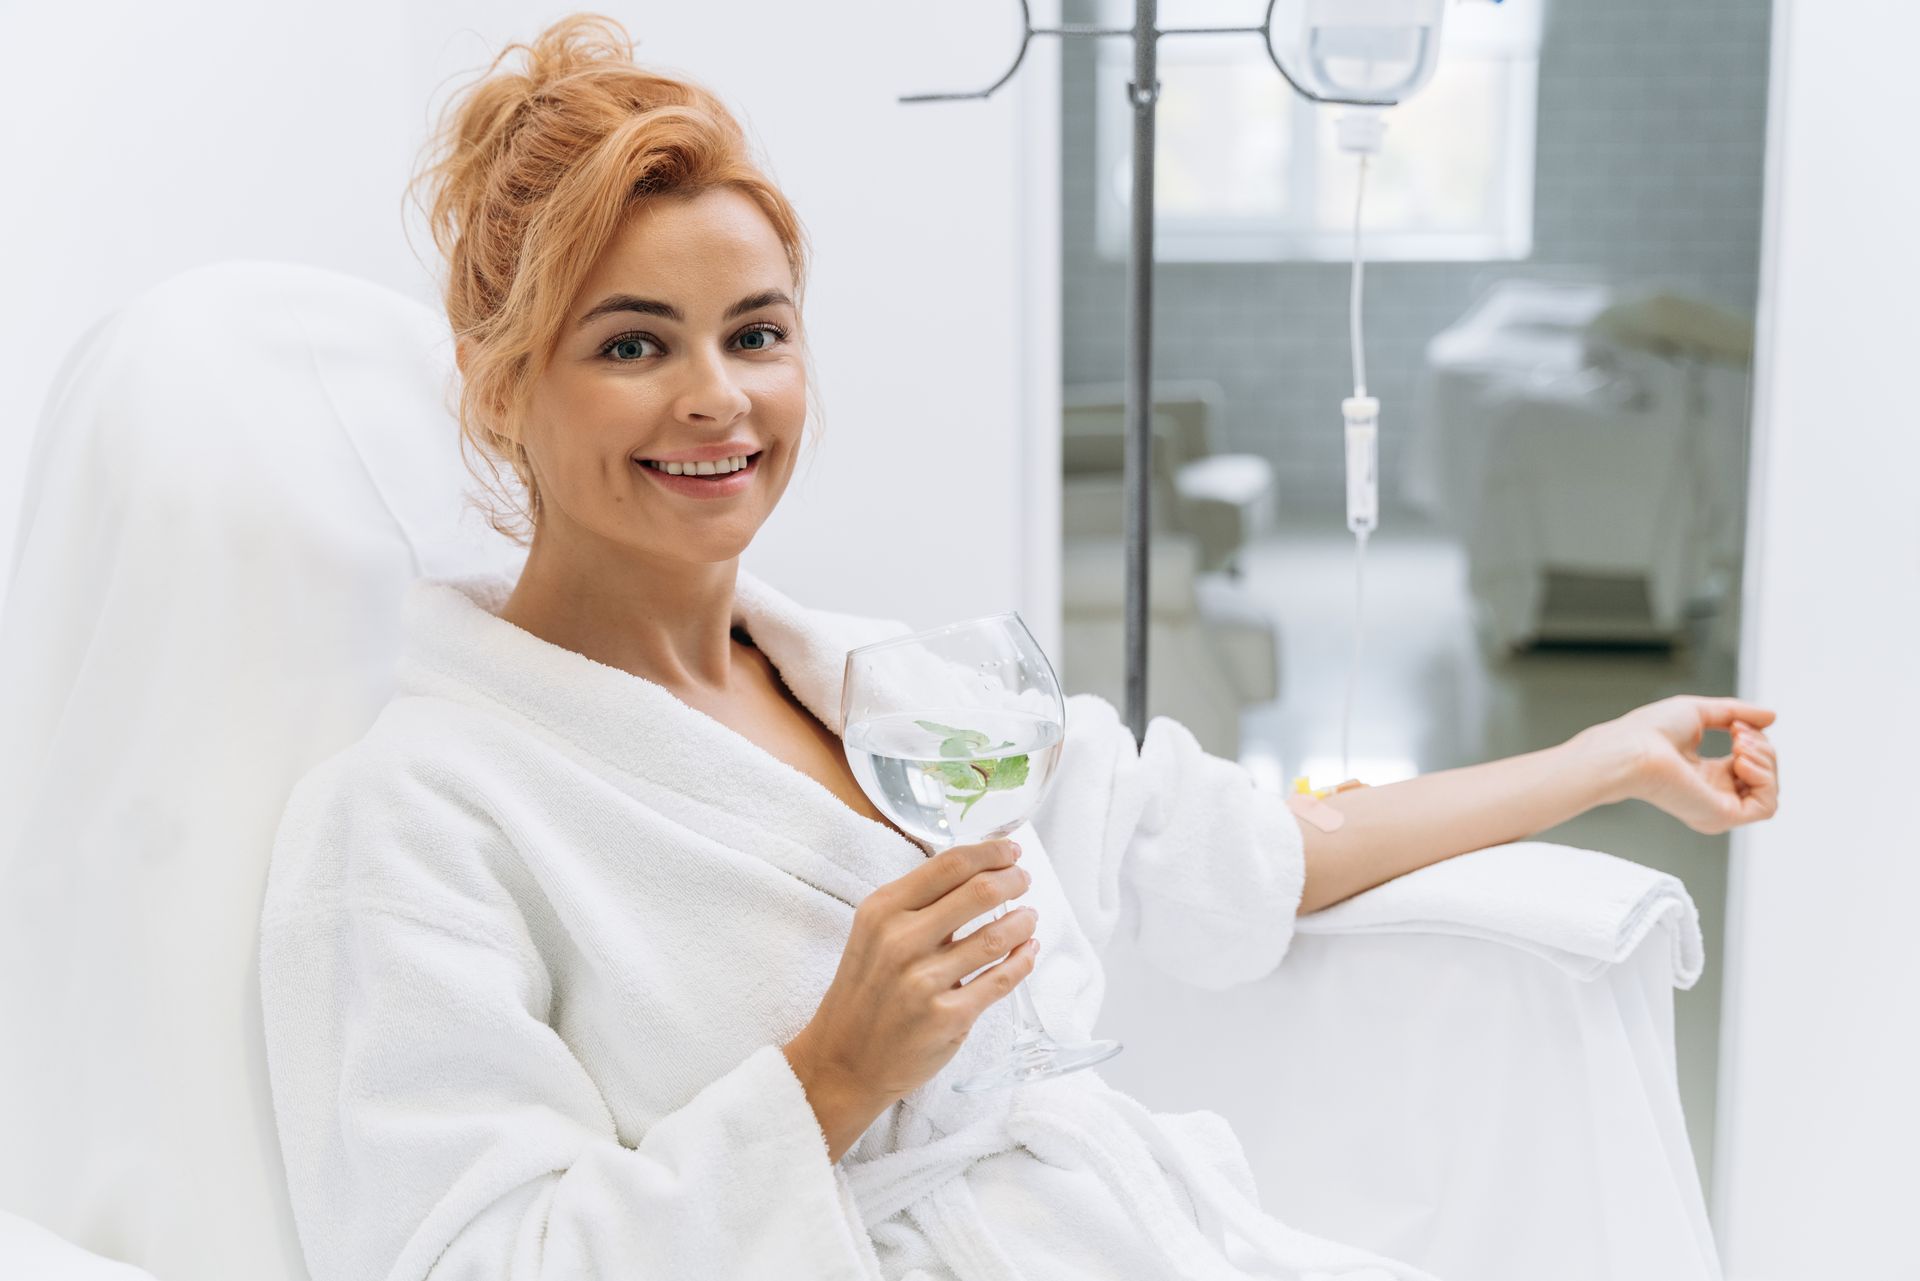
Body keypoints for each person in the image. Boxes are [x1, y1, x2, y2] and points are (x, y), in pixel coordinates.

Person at [257, 14, 1781, 1281]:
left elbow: (1247, 850)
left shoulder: (899, 693)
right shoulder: (417, 816)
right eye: (634, 343)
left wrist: (1603, 756)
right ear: (499, 384)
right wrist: (831, 1077)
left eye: (760, 333)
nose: (719, 397)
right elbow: (462, 1261)